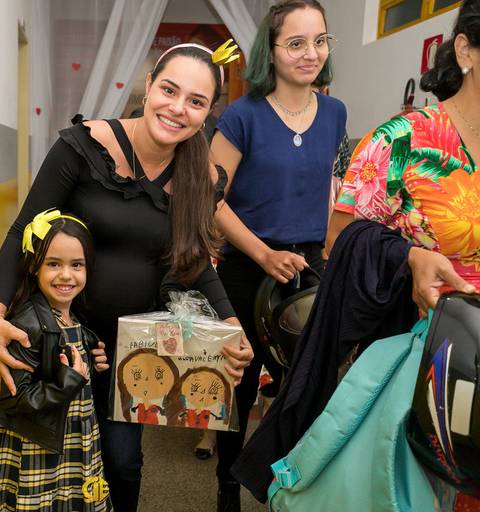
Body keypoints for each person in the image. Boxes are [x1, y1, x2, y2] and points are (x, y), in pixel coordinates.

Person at [0, 43, 254, 511]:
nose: (178, 108)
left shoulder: (199, 177)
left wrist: (232, 325)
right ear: (149, 87)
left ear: (208, 111)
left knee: (122, 464)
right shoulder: (84, 148)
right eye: (169, 90)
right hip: (61, 336)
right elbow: (22, 230)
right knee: (48, 462)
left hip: (130, 350)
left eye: (196, 101)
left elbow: (194, 261)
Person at [322, 1, 480, 508]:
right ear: (465, 51)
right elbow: (341, 242)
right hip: (436, 365)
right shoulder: (404, 140)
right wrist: (409, 258)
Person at [208, 1, 347, 509]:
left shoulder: (335, 112)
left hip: (308, 269)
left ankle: (288, 487)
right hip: (247, 266)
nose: (311, 53)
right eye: (296, 43)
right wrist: (264, 254)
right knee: (238, 388)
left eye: (320, 40)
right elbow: (210, 201)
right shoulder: (242, 116)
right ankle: (227, 486)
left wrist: (329, 249)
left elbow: (327, 187)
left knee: (305, 387)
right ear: (271, 49)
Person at [0, 211, 112, 511]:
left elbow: (61, 368)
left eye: (76, 265)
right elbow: (15, 396)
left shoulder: (72, 316)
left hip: (69, 436)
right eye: (53, 264)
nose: (66, 275)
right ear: (34, 267)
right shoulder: (25, 326)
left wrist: (90, 363)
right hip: (35, 445)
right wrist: (70, 382)